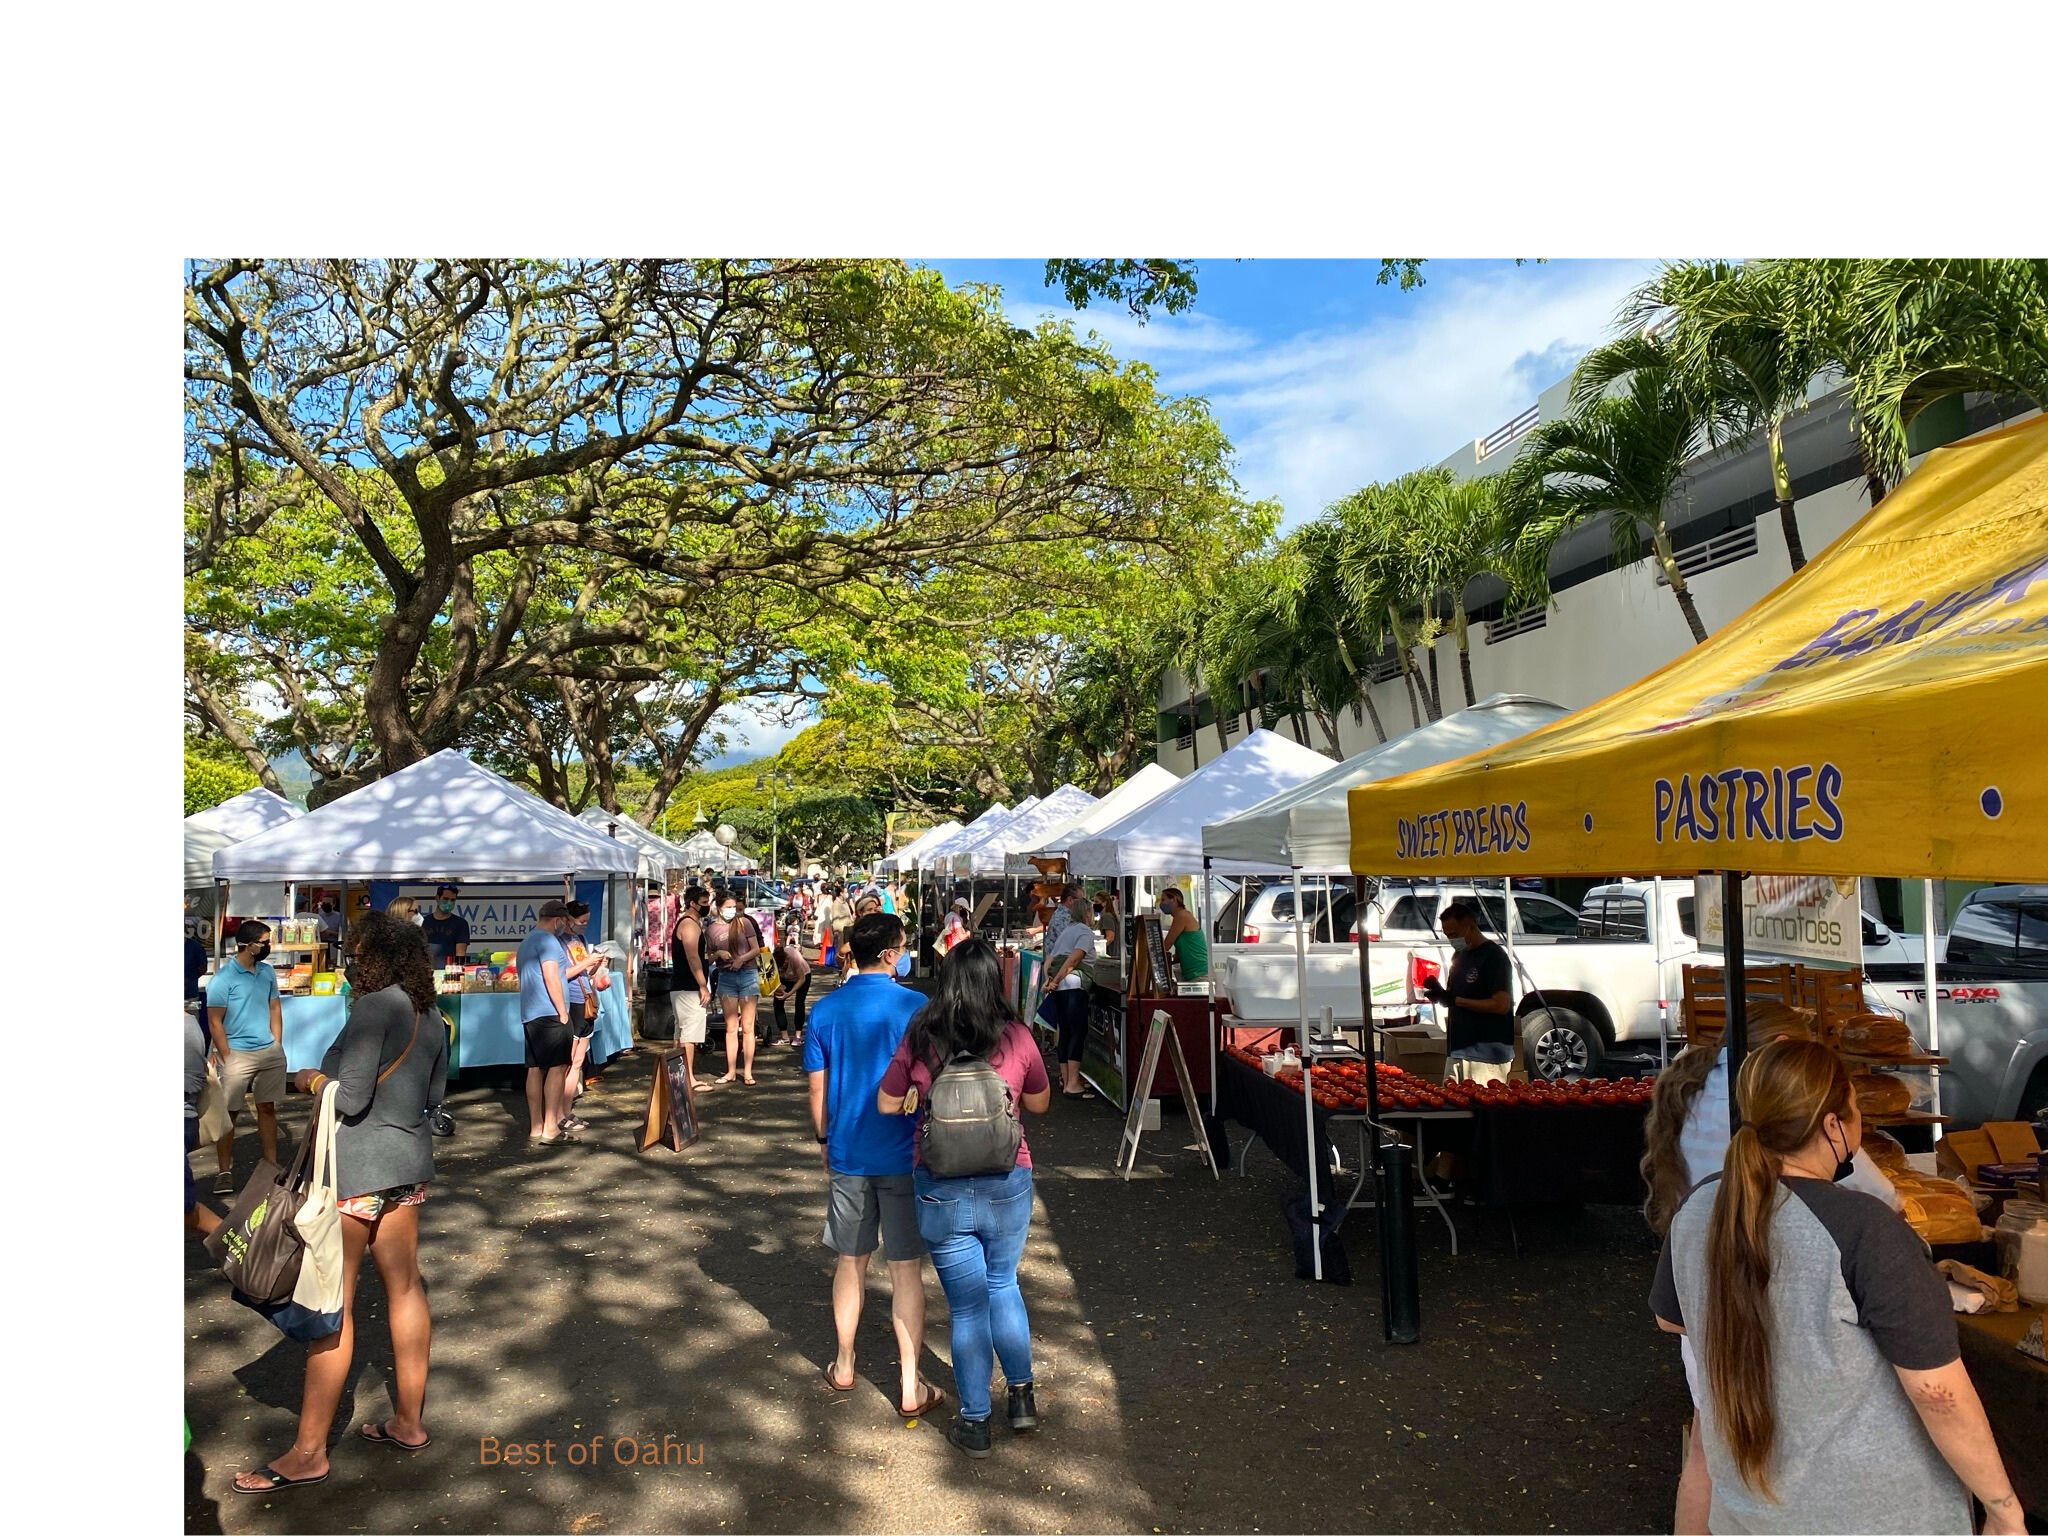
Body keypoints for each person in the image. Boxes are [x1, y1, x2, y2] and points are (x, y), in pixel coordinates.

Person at [1649, 1037, 2023, 1535]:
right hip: (1874, 1517)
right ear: (1833, 1125)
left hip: (1748, 1516)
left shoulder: (1700, 1206)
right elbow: (1939, 1393)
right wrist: (2002, 1506)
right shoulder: (1865, 1227)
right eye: (1853, 1112)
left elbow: (1670, 1317)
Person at [1641, 1010, 1904, 1534]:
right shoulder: (1774, 1111)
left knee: (1709, 1449)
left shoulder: (1694, 1087)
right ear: (1780, 1051)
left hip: (1706, 1288)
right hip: (1770, 1293)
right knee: (1769, 1455)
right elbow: (1881, 1195)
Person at [232, 910, 447, 1494]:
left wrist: (308, 1080)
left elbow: (349, 1099)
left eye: (356, 952)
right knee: (405, 1288)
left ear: (372, 956)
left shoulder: (376, 1007)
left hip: (355, 1172)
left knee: (335, 1303)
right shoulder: (432, 1016)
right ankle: (408, 1421)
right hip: (407, 1168)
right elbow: (434, 1098)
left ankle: (308, 1454)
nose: (350, 961)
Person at [878, 938, 1052, 1459]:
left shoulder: (922, 1034)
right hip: (1007, 1179)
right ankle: (1021, 1397)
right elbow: (1040, 1103)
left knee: (966, 1307)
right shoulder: (1016, 1034)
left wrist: (917, 1094)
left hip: (939, 1184)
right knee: (1003, 1284)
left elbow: (888, 1103)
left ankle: (975, 1422)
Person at [803, 913, 936, 1417]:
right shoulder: (916, 1006)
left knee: (850, 1261)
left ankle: (843, 1362)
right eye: (902, 947)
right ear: (888, 954)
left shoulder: (825, 1010)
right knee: (906, 1269)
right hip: (906, 1152)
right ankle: (909, 1383)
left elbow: (817, 1088)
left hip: (849, 1151)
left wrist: (823, 1139)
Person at [206, 919, 285, 1196]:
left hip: (268, 1051)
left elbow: (274, 1007)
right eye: (264, 942)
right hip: (237, 1053)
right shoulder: (223, 979)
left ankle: (271, 1165)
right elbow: (214, 1021)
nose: (268, 946)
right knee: (229, 1113)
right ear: (249, 945)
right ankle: (224, 1170)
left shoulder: (266, 972)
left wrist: (277, 1043)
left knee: (267, 1108)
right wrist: (226, 1055)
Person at [1421, 900, 1514, 1084]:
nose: (1451, 940)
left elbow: (1501, 1004)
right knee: (1453, 1108)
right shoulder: (1459, 956)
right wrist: (1441, 995)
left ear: (1470, 926)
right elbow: (1456, 996)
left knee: (1481, 1108)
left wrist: (1458, 1000)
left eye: (1454, 934)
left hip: (1486, 1055)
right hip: (1457, 1050)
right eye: (1447, 935)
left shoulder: (1494, 957)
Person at [516, 900, 576, 1143]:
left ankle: (536, 1126)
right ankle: (551, 1126)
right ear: (558, 920)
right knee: (557, 1068)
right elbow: (552, 976)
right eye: (565, 921)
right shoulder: (549, 941)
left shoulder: (527, 941)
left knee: (534, 1068)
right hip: (550, 1012)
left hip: (530, 1012)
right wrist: (562, 1011)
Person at [1037, 887, 1097, 1099]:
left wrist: (1050, 980)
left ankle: (1067, 1079)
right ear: (1086, 913)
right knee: (1077, 1033)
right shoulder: (1084, 932)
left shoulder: (1066, 931)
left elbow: (1051, 959)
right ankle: (1073, 1083)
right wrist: (1058, 979)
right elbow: (1074, 960)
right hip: (1073, 986)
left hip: (1060, 987)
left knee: (1065, 1032)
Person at [559, 900, 605, 1132]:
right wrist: (586, 963)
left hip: (587, 999)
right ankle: (560, 1112)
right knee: (567, 1062)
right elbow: (562, 974)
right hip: (572, 1001)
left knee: (578, 1061)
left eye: (587, 921)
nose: (584, 925)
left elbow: (585, 972)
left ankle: (567, 1110)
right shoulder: (558, 942)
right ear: (568, 919)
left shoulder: (581, 940)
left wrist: (596, 964)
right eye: (581, 921)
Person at [712, 889, 764, 1086]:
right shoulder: (712, 930)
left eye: (734, 907)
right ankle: (731, 1070)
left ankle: (748, 1072)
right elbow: (707, 957)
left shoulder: (745, 923)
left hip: (748, 975)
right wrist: (718, 954)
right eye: (729, 907)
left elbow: (756, 949)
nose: (732, 910)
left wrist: (741, 959)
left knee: (748, 1027)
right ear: (719, 908)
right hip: (726, 977)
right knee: (731, 1027)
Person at [669, 885, 715, 1092]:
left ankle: (677, 1076)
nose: (707, 906)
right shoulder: (689, 925)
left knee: (681, 1034)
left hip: (683, 986)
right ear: (692, 903)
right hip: (688, 987)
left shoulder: (691, 923)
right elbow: (692, 957)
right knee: (689, 1036)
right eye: (704, 903)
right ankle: (687, 1078)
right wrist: (702, 985)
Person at [185, 1006, 220, 1239]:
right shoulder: (189, 1023)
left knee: (184, 1207)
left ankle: (246, 1253)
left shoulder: (185, 1026)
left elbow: (190, 1083)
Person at [772, 916, 813, 1046]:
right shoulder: (773, 961)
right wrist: (777, 988)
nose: (782, 967)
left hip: (802, 976)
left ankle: (798, 1035)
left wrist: (789, 994)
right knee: (778, 1002)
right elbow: (771, 978)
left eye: (783, 965)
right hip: (786, 979)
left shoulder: (793, 956)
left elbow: (801, 979)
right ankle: (784, 1035)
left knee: (799, 1002)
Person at [1156, 887, 1207, 983]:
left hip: (1199, 974)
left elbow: (1167, 944)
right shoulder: (1182, 916)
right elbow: (1178, 954)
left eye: (1163, 900)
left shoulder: (1181, 916)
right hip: (1192, 974)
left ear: (1174, 899)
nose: (1161, 904)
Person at [418, 885, 468, 969]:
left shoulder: (461, 923)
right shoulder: (423, 922)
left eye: (452, 900)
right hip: (426, 971)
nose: (449, 902)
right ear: (437, 898)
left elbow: (460, 954)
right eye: (445, 899)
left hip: (449, 972)